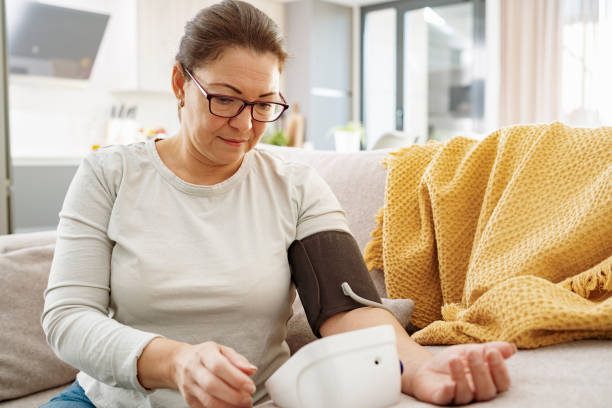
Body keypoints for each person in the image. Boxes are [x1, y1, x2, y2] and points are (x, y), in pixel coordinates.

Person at [41, 1, 515, 407]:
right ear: (179, 84)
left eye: (265, 104)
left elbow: (346, 306)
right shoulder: (109, 174)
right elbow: (67, 318)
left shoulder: (293, 184)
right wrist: (177, 362)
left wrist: (417, 368)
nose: (245, 125)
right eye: (225, 100)